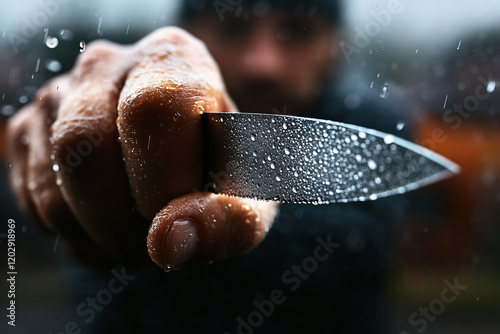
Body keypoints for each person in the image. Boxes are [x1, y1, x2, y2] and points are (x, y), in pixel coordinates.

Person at [6, 0, 411, 333]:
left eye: (297, 31)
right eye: (232, 29)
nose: (262, 64)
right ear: (190, 38)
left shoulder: (370, 122)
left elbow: (357, 256)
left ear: (334, 46)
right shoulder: (123, 120)